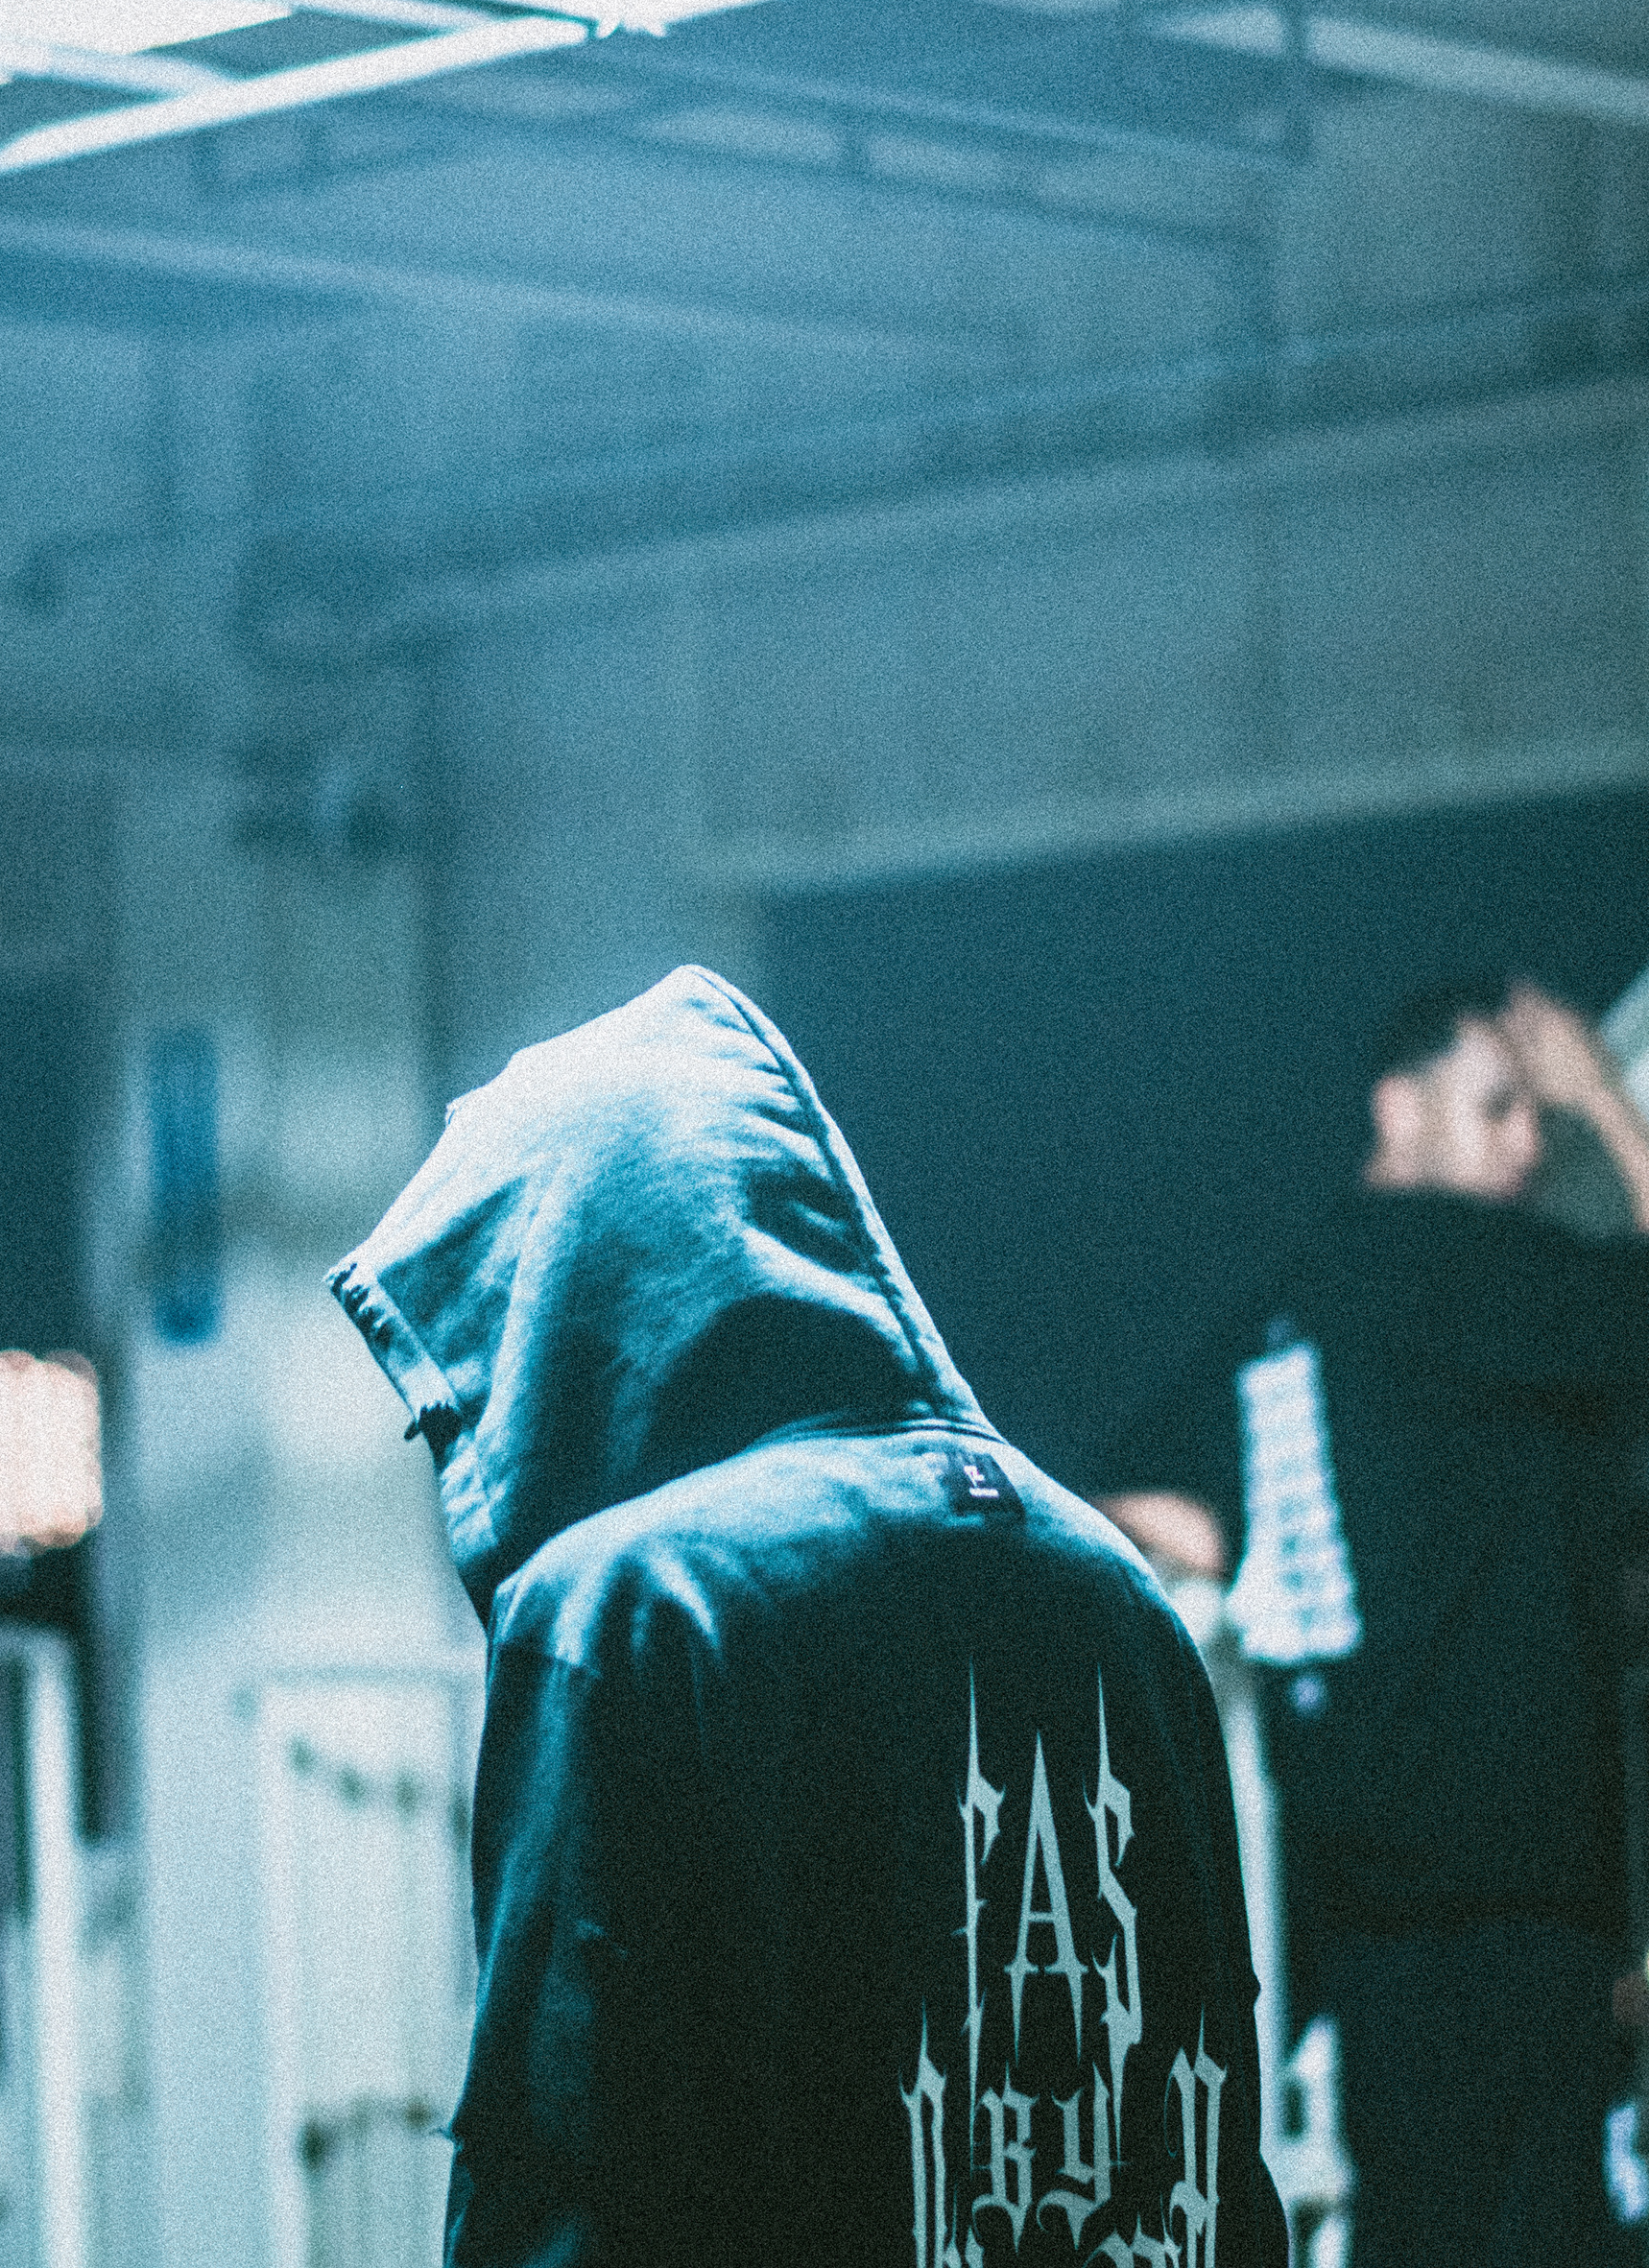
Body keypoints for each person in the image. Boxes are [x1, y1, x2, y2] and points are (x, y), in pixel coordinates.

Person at [328, 965, 1288, 2268]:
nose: (457, 1429)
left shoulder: (628, 1606)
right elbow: (1211, 2124)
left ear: (566, 1289)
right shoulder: (1108, 1579)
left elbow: (563, 2158)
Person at [1101, 975, 1649, 2268]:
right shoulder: (1465, 1262)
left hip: (1363, 1903)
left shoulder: (1295, 1298)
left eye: (1538, 1115)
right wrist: (1600, 1098)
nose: (1528, 1144)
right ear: (1400, 1110)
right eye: (1499, 1108)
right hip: (1513, 1892)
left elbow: (1145, 1496)